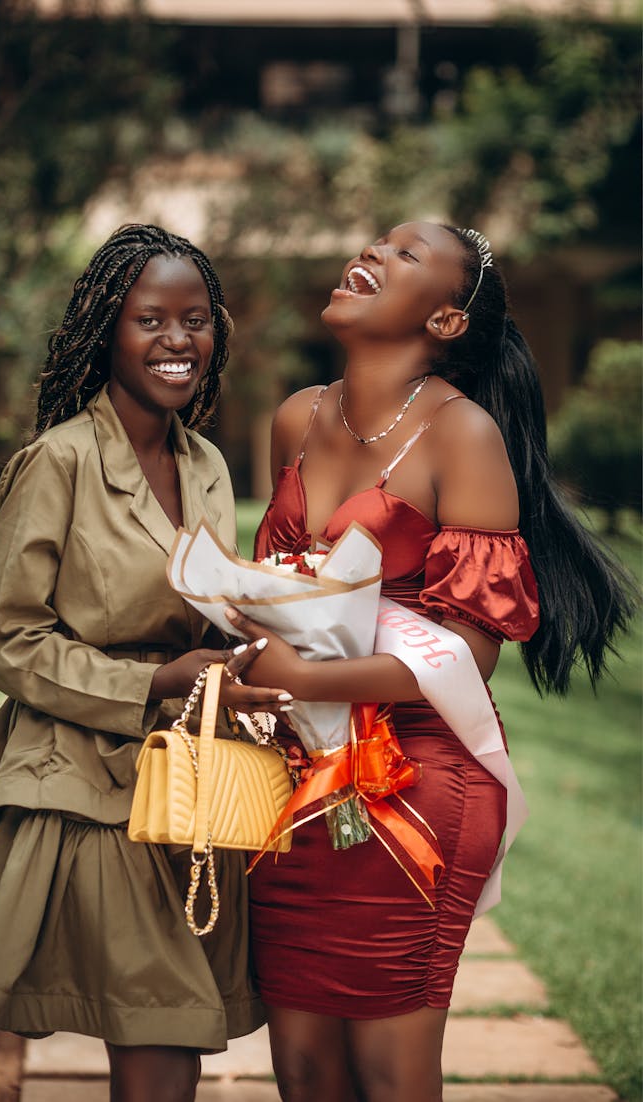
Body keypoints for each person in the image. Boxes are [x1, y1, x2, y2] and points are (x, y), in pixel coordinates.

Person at [222, 221, 636, 1102]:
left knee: (387, 1068)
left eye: (403, 254)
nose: (369, 252)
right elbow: (282, 586)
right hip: (298, 774)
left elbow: (472, 651)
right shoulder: (297, 416)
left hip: (417, 782)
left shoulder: (463, 435)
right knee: (301, 1067)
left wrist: (305, 679)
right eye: (372, 241)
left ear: (446, 320)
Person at [0, 224, 292, 1102]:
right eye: (152, 320)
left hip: (194, 777)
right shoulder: (56, 461)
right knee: (160, 1024)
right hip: (85, 777)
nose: (179, 341)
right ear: (107, 331)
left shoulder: (205, 462)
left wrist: (247, 646)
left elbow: (199, 609)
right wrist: (149, 683)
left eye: (197, 319)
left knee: (169, 1026)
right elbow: (9, 641)